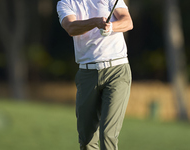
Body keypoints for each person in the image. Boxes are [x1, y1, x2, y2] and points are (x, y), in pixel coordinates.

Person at [57, 0, 133, 149]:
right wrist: (95, 22)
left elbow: (127, 21)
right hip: (87, 73)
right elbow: (71, 27)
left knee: (108, 135)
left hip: (116, 71)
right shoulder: (65, 3)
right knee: (86, 140)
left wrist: (110, 26)